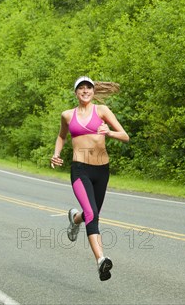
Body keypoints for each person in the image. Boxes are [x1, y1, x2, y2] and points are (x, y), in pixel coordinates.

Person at [50, 76, 129, 281]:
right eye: (81, 88)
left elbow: (125, 136)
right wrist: (56, 154)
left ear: (93, 91)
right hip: (80, 170)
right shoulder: (67, 115)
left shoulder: (102, 111)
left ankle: (74, 219)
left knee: (90, 214)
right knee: (92, 214)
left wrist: (109, 132)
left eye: (88, 88)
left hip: (102, 170)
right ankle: (101, 260)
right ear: (75, 92)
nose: (85, 91)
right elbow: (61, 136)